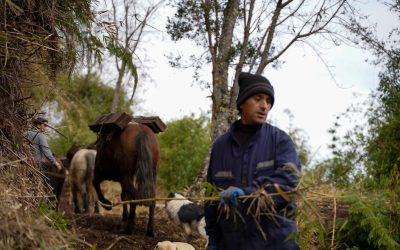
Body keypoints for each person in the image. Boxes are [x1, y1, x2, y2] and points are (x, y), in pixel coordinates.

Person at [204, 72, 302, 250]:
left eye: (268, 101)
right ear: (242, 103)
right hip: (233, 244)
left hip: (274, 242)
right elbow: (210, 198)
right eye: (258, 99)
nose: (265, 106)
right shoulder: (220, 147)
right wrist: (213, 240)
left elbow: (288, 183)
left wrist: (246, 193)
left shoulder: (280, 141)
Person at [25, 117, 62, 185]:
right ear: (38, 125)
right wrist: (55, 163)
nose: (46, 128)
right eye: (45, 125)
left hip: (26, 164)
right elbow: (46, 151)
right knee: (46, 183)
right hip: (38, 164)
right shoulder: (40, 135)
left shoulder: (25, 133)